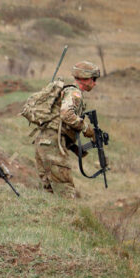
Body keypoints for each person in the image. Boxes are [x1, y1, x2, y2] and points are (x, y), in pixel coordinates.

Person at [34, 61, 99, 198]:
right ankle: (70, 218)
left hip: (44, 141)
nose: (95, 83)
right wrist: (86, 128)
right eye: (94, 79)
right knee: (65, 191)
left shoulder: (66, 91)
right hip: (52, 143)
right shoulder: (74, 93)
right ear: (85, 78)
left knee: (50, 191)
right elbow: (66, 114)